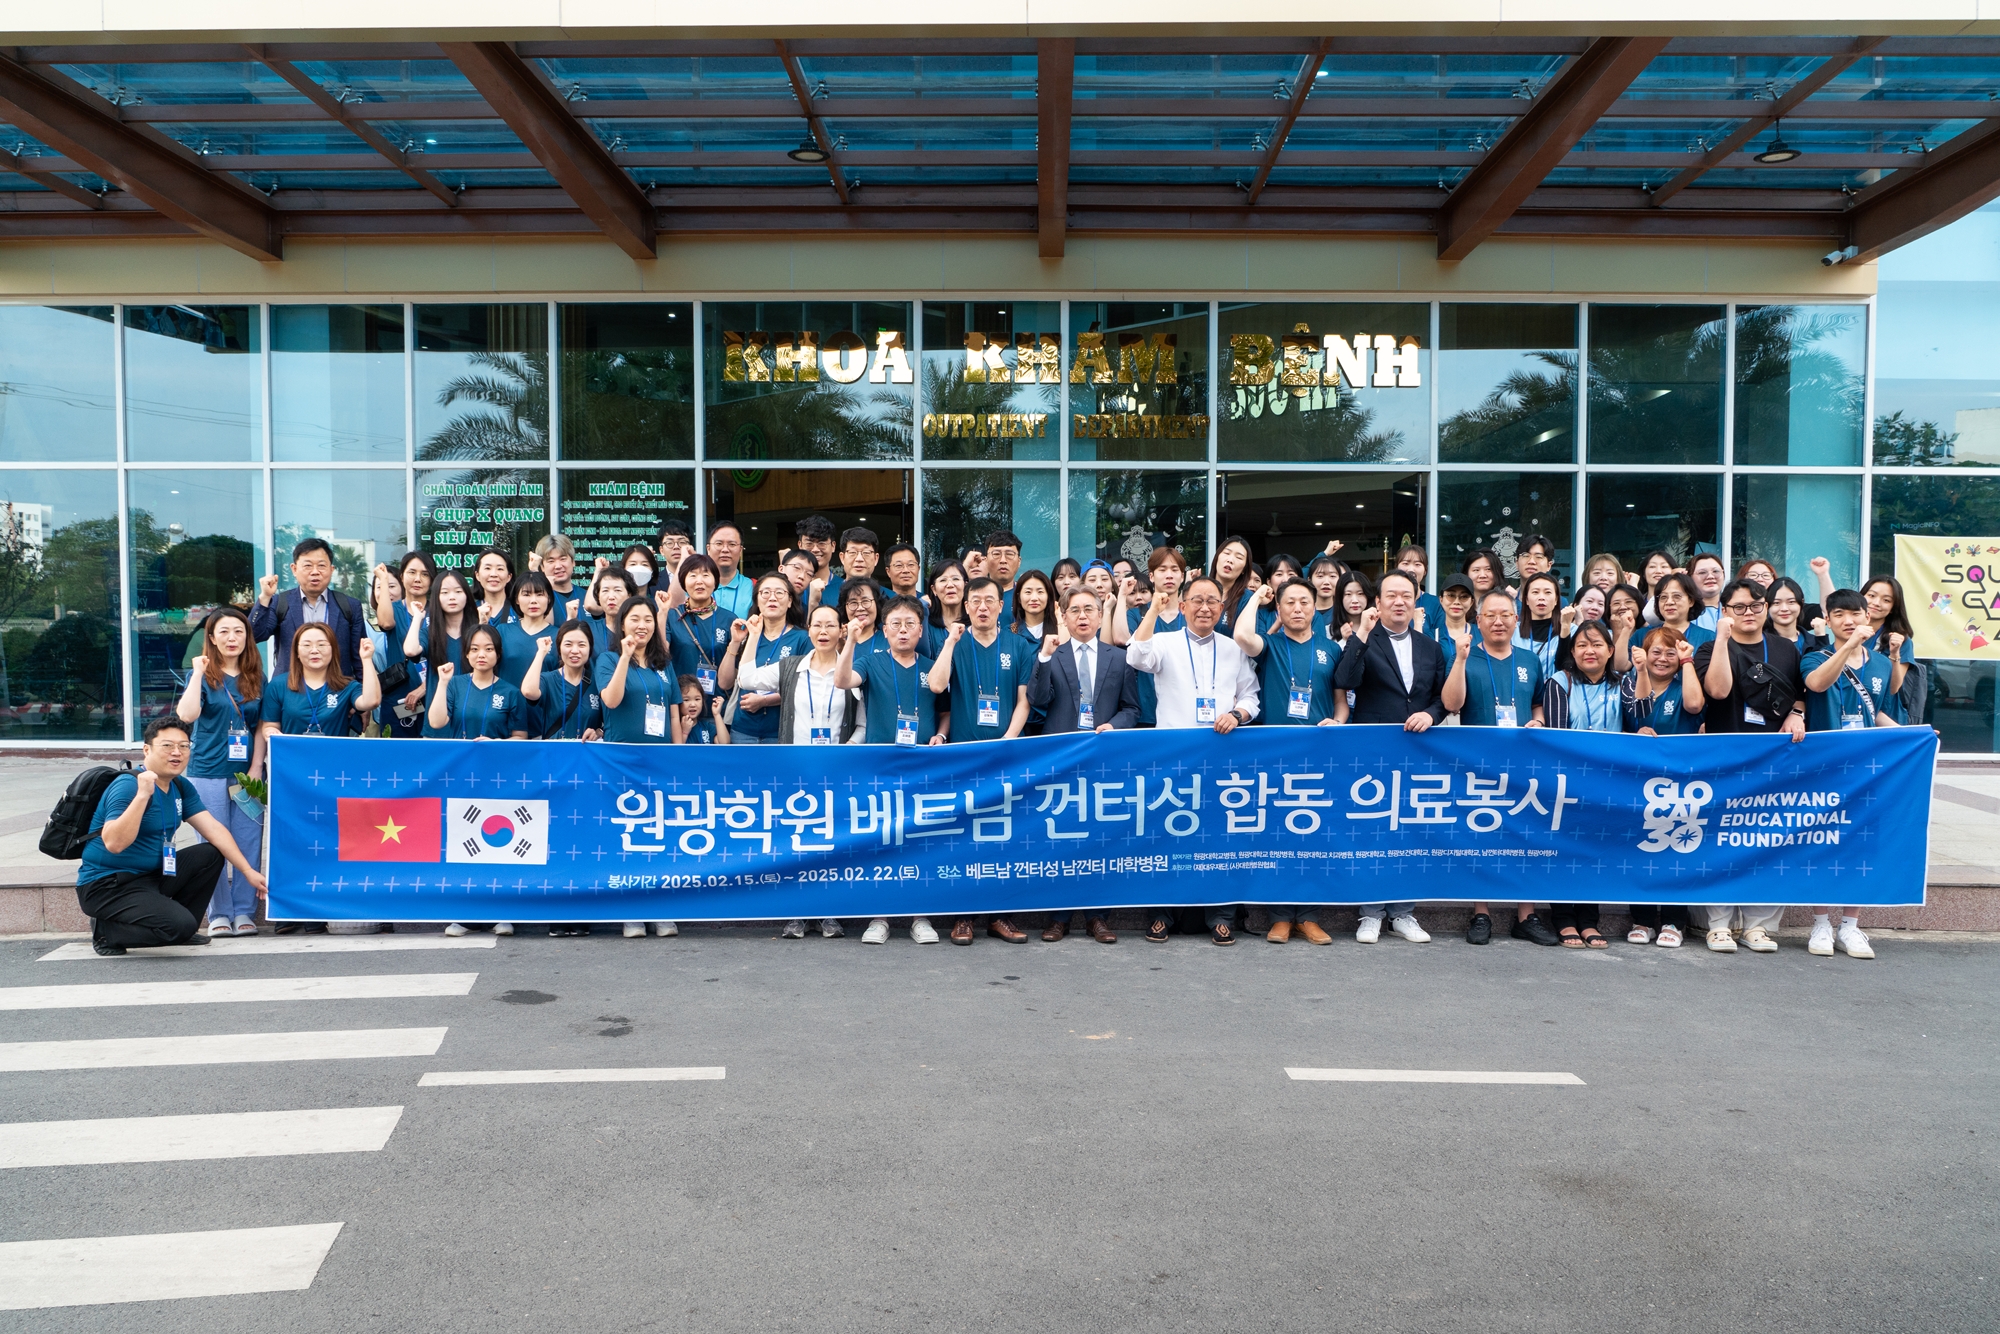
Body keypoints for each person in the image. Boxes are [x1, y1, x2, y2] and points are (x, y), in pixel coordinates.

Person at [1127, 575, 1260, 945]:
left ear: (1221, 608)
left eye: (1212, 602)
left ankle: (1220, 916)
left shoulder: (1234, 648)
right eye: (1196, 601)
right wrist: (1153, 608)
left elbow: (1251, 696)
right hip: (1174, 760)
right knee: (1168, 838)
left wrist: (1237, 715)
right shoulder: (1165, 642)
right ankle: (1161, 915)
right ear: (1182, 607)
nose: (1205, 608)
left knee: (1218, 840)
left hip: (1221, 758)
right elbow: (1135, 656)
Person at [77, 716, 270, 955]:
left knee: (209, 854)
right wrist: (142, 796)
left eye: (184, 746)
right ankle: (107, 932)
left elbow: (214, 829)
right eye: (167, 746)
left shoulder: (180, 786)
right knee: (179, 927)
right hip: (109, 885)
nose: (176, 753)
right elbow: (114, 843)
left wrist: (248, 871)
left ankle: (180, 926)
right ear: (146, 749)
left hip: (151, 876)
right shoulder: (128, 785)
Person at [1692, 578, 1806, 955]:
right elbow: (1719, 691)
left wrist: (1795, 713)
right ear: (1725, 611)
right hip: (1725, 759)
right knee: (1721, 841)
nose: (1749, 613)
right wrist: (1723, 640)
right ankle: (1719, 925)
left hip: (1775, 761)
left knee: (1767, 841)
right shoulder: (1710, 648)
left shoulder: (1786, 647)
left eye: (1756, 605)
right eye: (1738, 607)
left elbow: (1804, 692)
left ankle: (1758, 926)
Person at [738, 602, 862, 942]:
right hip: (795, 770)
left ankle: (830, 914)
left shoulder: (851, 669)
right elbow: (746, 679)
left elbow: (862, 723)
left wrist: (846, 753)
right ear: (808, 630)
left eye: (830, 626)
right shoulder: (791, 666)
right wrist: (753, 635)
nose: (823, 632)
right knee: (797, 840)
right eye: (817, 625)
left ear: (841, 631)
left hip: (836, 770)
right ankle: (796, 913)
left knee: (832, 842)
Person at [1441, 589, 1557, 948]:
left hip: (1523, 764)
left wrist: (1538, 722)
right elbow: (1451, 704)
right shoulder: (1466, 656)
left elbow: (1538, 705)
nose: (1498, 621)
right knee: (1482, 835)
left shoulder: (1529, 659)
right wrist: (1459, 660)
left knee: (1524, 835)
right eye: (1490, 615)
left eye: (1505, 615)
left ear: (1516, 619)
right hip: (1479, 763)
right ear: (1478, 621)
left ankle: (1527, 914)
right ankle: (1481, 912)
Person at [1235, 577, 1342, 944]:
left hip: (1319, 754)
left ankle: (1309, 916)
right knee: (1276, 836)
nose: (1297, 609)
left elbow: (1341, 700)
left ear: (1316, 607)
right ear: (1278, 610)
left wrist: (1339, 721)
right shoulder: (1270, 645)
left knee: (1314, 837)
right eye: (1289, 603)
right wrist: (1255, 599)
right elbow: (1242, 636)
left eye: (1304, 602)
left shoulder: (1331, 649)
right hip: (1275, 755)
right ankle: (1280, 916)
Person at [836, 594, 945, 944]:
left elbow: (945, 707)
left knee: (919, 843)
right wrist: (851, 638)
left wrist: (941, 734)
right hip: (880, 766)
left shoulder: (932, 665)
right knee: (881, 842)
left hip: (922, 767)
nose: (902, 630)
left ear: (920, 629)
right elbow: (842, 680)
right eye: (895, 624)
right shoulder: (871, 661)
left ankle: (920, 917)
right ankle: (879, 917)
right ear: (884, 630)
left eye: (910, 624)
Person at [1799, 588, 1899, 960]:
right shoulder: (1814, 657)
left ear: (1868, 618)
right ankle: (1821, 922)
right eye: (1839, 614)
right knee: (1824, 844)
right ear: (1828, 618)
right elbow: (1817, 685)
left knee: (1861, 845)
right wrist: (1847, 648)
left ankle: (1851, 926)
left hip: (1867, 771)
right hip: (1825, 768)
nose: (1849, 620)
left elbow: (1882, 715)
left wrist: (1915, 734)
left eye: (1855, 613)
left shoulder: (1881, 665)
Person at [173, 606, 265, 939]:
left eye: (238, 631)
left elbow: (260, 727)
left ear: (247, 637)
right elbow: (187, 714)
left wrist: (256, 766)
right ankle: (219, 913)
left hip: (246, 776)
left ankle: (244, 911)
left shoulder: (257, 676)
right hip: (207, 771)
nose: (232, 638)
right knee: (212, 843)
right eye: (224, 631)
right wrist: (198, 673)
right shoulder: (202, 675)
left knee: (248, 841)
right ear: (211, 638)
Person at [595, 596, 680, 942]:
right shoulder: (609, 658)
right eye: (634, 619)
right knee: (628, 835)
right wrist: (627, 656)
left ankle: (658, 907)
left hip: (659, 761)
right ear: (622, 624)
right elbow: (610, 701)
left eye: (647, 619)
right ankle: (630, 910)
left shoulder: (664, 663)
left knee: (658, 835)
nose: (641, 625)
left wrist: (678, 756)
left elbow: (673, 711)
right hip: (621, 762)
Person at [1536, 619, 1619, 949]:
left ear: (1610, 650)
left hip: (1609, 784)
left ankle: (1588, 920)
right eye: (1582, 644)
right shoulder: (1560, 682)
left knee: (1593, 852)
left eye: (1598, 644)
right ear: (1572, 650)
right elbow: (1557, 737)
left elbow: (1637, 718)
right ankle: (1563, 919)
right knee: (1563, 851)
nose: (1590, 650)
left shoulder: (1622, 684)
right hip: (1569, 783)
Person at [1620, 626, 1703, 948]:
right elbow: (1626, 719)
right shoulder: (1630, 682)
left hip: (1681, 780)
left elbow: (1695, 706)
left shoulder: (1685, 681)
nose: (1662, 659)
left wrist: (1687, 662)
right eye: (1656, 651)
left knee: (1677, 850)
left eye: (1670, 652)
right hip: (1638, 778)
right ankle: (1641, 919)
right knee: (1639, 847)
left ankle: (1673, 921)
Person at [251, 536, 366, 677]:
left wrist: (361, 693)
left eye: (322, 565)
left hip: (337, 691)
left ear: (331, 569)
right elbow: (254, 635)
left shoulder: (349, 606)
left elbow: (359, 657)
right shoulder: (280, 602)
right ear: (294, 569)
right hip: (291, 689)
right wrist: (265, 598)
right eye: (308, 565)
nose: (315, 571)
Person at [719, 573, 809, 745]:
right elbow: (725, 683)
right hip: (743, 729)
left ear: (790, 601)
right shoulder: (748, 634)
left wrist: (765, 701)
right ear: (757, 600)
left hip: (781, 730)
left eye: (779, 593)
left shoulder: (802, 639)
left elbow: (804, 688)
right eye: (765, 593)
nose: (772, 598)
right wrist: (737, 641)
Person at [426, 624, 530, 740]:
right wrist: (443, 682)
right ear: (467, 653)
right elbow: (436, 723)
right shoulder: (454, 684)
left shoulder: (511, 692)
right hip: (461, 755)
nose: (481, 655)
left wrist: (497, 743)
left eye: (489, 649)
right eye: (474, 649)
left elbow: (521, 736)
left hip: (494, 755)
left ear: (498, 654)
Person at [372, 551, 434, 737]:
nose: (418, 579)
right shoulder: (394, 609)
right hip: (399, 698)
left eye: (424, 574)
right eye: (412, 572)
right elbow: (385, 623)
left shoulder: (439, 612)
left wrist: (424, 688)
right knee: (396, 757)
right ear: (402, 576)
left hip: (432, 695)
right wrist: (383, 580)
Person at [406, 570, 471, 739]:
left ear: (467, 595)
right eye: (445, 592)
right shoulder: (431, 634)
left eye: (458, 591)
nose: (452, 597)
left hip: (472, 724)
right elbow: (411, 650)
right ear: (436, 597)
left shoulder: (478, 633)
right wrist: (418, 617)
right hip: (437, 726)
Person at [521, 619, 603, 742]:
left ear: (590, 648)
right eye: (568, 644)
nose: (575, 651)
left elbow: (609, 721)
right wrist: (541, 652)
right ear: (559, 648)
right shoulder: (548, 679)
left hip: (586, 756)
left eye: (581, 645)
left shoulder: (598, 682)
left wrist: (598, 732)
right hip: (554, 755)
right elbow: (528, 691)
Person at [666, 554, 732, 701]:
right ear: (683, 581)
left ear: (715, 581)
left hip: (718, 705)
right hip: (682, 705)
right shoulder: (672, 617)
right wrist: (661, 613)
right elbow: (660, 657)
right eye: (693, 575)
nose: (699, 581)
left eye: (706, 575)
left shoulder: (729, 619)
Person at [1860, 575, 1916, 722]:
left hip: (1886, 714)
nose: (1876, 603)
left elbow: (1893, 688)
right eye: (1871, 595)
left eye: (1886, 600)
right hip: (1851, 709)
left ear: (1892, 608)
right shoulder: (1846, 631)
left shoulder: (1900, 640)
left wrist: (1894, 652)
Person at [495, 571, 558, 698]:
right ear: (517, 599)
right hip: (506, 709)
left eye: (540, 594)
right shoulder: (502, 632)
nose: (533, 601)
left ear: (549, 598)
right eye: (526, 594)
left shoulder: (559, 636)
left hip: (543, 710)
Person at [820, 526, 881, 612]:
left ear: (876, 558)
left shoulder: (889, 597)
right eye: (852, 552)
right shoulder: (824, 595)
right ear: (842, 557)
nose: (859, 559)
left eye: (866, 553)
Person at [1514, 572, 1564, 678]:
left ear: (1556, 600)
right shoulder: (1513, 631)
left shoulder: (1570, 629)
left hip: (1556, 692)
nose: (1541, 597)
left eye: (1547, 592)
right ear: (1526, 599)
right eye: (1535, 592)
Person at [707, 520, 755, 619]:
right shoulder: (695, 585)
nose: (725, 549)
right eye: (719, 544)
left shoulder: (754, 587)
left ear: (740, 550)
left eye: (732, 544)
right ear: (708, 549)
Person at [583, 568, 637, 655]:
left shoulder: (639, 629)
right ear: (598, 596)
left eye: (617, 590)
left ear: (629, 595)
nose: (611, 596)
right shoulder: (588, 630)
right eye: (605, 590)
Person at [1209, 535, 1256, 632]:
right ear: (1217, 557)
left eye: (1239, 557)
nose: (1230, 560)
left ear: (1244, 569)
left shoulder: (1247, 599)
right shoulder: (1198, 588)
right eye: (1226, 553)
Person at [535, 534, 586, 623]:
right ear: (542, 567)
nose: (558, 566)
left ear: (573, 562)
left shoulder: (587, 597)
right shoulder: (538, 601)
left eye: (563, 559)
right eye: (551, 561)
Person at [923, 561, 967, 657]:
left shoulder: (975, 623)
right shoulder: (926, 625)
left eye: (955, 579)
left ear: (965, 585)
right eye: (943, 580)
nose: (950, 585)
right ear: (934, 589)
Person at [672, 674, 729, 745]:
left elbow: (724, 743)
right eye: (686, 700)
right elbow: (676, 752)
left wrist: (717, 714)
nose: (693, 704)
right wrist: (684, 732)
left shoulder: (706, 726)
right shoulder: (673, 727)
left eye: (697, 699)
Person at [469, 547, 516, 627]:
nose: (493, 574)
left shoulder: (519, 610)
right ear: (477, 575)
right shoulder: (469, 611)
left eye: (500, 569)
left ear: (509, 576)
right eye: (487, 568)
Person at [1010, 570, 1056, 646]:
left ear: (1048, 596)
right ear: (1019, 598)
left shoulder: (1060, 629)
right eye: (1028, 592)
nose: (1034, 598)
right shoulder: (1010, 632)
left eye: (1040, 592)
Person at [1687, 553, 1727, 630]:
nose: (1710, 576)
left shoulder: (1735, 608)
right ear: (1690, 577)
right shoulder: (1683, 611)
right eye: (1702, 572)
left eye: (1715, 571)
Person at [793, 515, 836, 583]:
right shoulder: (790, 588)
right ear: (800, 545)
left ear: (833, 546)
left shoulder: (846, 588)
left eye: (822, 544)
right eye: (809, 544)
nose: (815, 549)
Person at [984, 530, 1022, 600]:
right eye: (996, 554)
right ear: (986, 560)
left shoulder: (1026, 597)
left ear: (1019, 561)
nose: (1003, 560)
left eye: (1009, 554)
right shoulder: (974, 594)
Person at [657, 519, 695, 586]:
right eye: (669, 543)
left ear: (690, 547)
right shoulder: (652, 582)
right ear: (661, 550)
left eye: (682, 542)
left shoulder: (699, 580)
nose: (676, 547)